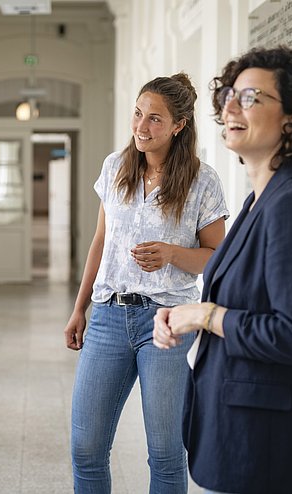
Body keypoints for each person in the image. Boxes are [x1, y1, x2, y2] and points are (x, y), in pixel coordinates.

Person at [153, 47, 292, 494]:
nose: (231, 107)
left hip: (271, 442)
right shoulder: (260, 200)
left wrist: (204, 316)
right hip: (244, 428)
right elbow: (250, 300)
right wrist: (189, 312)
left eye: (253, 97)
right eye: (231, 95)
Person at [64, 73, 228, 493]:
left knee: (167, 453)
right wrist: (80, 308)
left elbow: (218, 257)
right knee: (85, 448)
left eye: (155, 119)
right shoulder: (114, 167)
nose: (141, 126)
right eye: (138, 114)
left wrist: (173, 253)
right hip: (106, 316)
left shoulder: (202, 180)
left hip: (167, 323)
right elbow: (101, 242)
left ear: (179, 125)